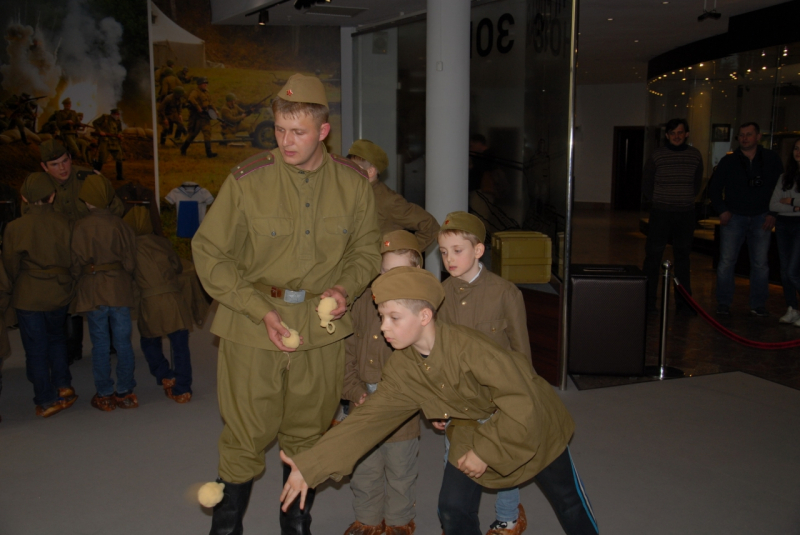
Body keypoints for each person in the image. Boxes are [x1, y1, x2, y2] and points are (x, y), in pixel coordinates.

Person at [191, 73, 381, 534]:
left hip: (320, 331)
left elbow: (366, 251)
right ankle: (225, 529)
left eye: (298, 132)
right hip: (252, 324)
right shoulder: (248, 180)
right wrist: (259, 310)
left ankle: (296, 527)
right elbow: (209, 253)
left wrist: (344, 289)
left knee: (307, 437)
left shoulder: (353, 184)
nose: (285, 141)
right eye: (279, 129)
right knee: (243, 436)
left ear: (323, 131)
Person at [280, 267, 598, 535]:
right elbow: (369, 419)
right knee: (452, 509)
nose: (383, 326)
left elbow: (522, 402)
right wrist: (312, 465)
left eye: (393, 317)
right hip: (472, 425)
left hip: (533, 421)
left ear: (424, 316)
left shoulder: (471, 350)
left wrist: (486, 451)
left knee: (569, 503)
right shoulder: (403, 367)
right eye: (381, 316)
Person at [436, 211, 531, 535]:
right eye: (443, 252)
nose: (449, 259)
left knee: (503, 459)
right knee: (455, 458)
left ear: (478, 250)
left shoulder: (505, 293)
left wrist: (520, 402)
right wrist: (439, 403)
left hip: (497, 398)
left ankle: (508, 517)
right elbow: (438, 355)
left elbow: (521, 352)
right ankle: (459, 518)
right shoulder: (441, 295)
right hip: (460, 399)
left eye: (457, 250)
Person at [341, 230, 423, 535]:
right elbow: (347, 352)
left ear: (416, 270)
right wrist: (354, 391)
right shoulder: (362, 302)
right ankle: (368, 519)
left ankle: (400, 521)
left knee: (401, 469)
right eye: (385, 270)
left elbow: (427, 362)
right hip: (362, 401)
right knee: (364, 468)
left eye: (399, 272)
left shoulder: (422, 312)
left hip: (401, 406)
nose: (390, 279)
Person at [31, 140, 124, 365]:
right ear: (44, 167)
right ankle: (72, 348)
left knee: (102, 296)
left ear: (71, 159)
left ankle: (112, 342)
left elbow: (118, 209)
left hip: (94, 253)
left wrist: (104, 187)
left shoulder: (88, 178)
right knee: (67, 300)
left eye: (65, 161)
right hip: (61, 254)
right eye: (55, 164)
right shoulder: (39, 186)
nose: (62, 168)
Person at [3, 174, 77, 418]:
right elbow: (73, 258)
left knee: (35, 348)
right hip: (59, 291)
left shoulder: (14, 227)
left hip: (28, 294)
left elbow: (10, 265)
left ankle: (45, 400)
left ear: (23, 198)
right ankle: (64, 385)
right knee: (57, 339)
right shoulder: (65, 222)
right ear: (52, 196)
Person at [70, 173, 138, 411]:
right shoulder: (121, 225)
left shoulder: (80, 226)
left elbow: (75, 262)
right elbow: (131, 263)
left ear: (87, 200)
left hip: (94, 290)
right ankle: (126, 391)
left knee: (99, 343)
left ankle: (104, 394)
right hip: (119, 290)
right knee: (123, 343)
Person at [709, 122, 783, 316]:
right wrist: (722, 210)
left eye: (749, 134)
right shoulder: (729, 161)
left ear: (758, 136)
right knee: (726, 262)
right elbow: (714, 188)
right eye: (741, 135)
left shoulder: (771, 159)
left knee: (760, 263)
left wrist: (773, 213)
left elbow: (781, 188)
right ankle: (723, 302)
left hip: (762, 217)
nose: (744, 138)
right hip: (734, 217)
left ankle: (758, 304)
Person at [123, 206, 194, 402]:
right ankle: (183, 389)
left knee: (149, 342)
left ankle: (164, 373)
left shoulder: (130, 248)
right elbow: (177, 267)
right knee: (180, 346)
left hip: (150, 302)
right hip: (174, 300)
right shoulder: (163, 243)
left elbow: (128, 271)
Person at [641, 118, 704, 314]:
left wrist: (684, 198)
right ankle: (648, 303)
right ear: (667, 135)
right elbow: (647, 183)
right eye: (673, 133)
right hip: (661, 212)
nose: (676, 136)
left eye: (680, 132)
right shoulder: (657, 155)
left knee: (683, 258)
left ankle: (684, 304)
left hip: (685, 213)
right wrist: (660, 200)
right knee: (653, 257)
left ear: (686, 134)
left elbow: (696, 183)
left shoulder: (695, 155)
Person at [347, 139, 440, 252]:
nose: (346, 172)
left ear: (370, 172)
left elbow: (429, 225)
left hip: (377, 262)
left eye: (353, 168)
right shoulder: (355, 193)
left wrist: (404, 254)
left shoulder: (387, 200)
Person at [769, 138, 800, 326]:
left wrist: (791, 201)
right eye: (796, 148)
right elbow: (773, 204)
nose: (798, 152)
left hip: (799, 226)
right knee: (784, 270)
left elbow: (784, 202)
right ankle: (792, 308)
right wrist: (795, 207)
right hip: (782, 225)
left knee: (792, 271)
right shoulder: (784, 177)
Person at [181, 77, 218, 158]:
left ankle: (209, 152)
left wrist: (215, 110)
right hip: (197, 117)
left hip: (205, 116)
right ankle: (183, 148)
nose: (205, 85)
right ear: (199, 84)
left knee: (207, 133)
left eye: (206, 83)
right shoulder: (196, 92)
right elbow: (191, 98)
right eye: (203, 83)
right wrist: (198, 107)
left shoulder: (207, 92)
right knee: (193, 134)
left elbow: (210, 103)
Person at [92, 108, 124, 180]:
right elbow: (95, 123)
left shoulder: (118, 121)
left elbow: (120, 130)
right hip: (105, 141)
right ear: (112, 114)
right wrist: (100, 131)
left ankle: (120, 176)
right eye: (116, 114)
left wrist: (119, 134)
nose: (117, 116)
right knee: (102, 158)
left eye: (118, 114)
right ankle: (94, 174)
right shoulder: (105, 118)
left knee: (119, 158)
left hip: (115, 142)